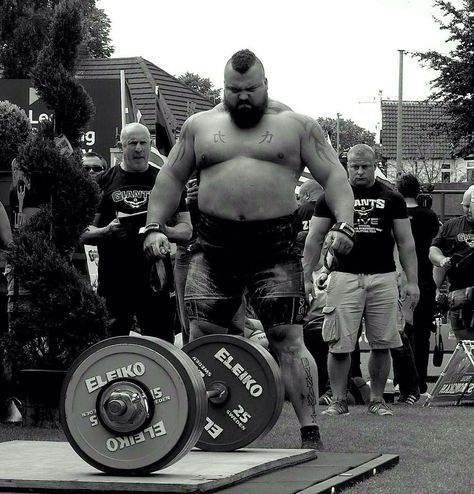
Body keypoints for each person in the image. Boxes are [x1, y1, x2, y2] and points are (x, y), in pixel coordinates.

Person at [143, 49, 355, 450]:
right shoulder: (199, 126)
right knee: (201, 336)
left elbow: (335, 177)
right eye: (233, 90)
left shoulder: (297, 126)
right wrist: (153, 227)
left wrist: (346, 224)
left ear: (265, 85)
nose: (241, 97)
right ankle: (199, 430)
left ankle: (310, 431)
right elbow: (169, 178)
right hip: (213, 246)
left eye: (249, 90)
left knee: (287, 338)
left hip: (273, 246)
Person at [304, 143, 419, 416]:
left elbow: (406, 242)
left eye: (365, 166)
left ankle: (377, 400)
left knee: (382, 343)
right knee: (339, 343)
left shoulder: (392, 198)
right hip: (343, 277)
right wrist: (307, 276)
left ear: (374, 164)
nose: (359, 172)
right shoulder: (331, 197)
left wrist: (412, 281)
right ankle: (339, 400)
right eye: (354, 166)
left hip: (383, 276)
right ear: (346, 166)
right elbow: (314, 238)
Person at [81, 122, 192, 342]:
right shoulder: (102, 182)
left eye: (143, 142)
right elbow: (83, 232)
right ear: (121, 146)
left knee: (160, 342)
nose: (139, 148)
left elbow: (186, 230)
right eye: (132, 143)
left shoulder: (166, 181)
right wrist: (105, 231)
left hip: (155, 276)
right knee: (111, 341)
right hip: (114, 277)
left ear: (150, 144)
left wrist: (161, 230)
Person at [392, 174, 439, 402]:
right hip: (423, 278)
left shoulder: (394, 215)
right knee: (422, 334)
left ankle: (402, 384)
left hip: (399, 278)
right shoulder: (429, 216)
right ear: (418, 190)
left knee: (398, 334)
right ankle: (420, 384)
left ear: (398, 190)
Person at [429, 184, 474, 342]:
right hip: (458, 292)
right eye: (466, 206)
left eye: (471, 206)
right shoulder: (451, 226)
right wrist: (442, 260)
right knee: (464, 343)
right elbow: (434, 250)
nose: (469, 210)